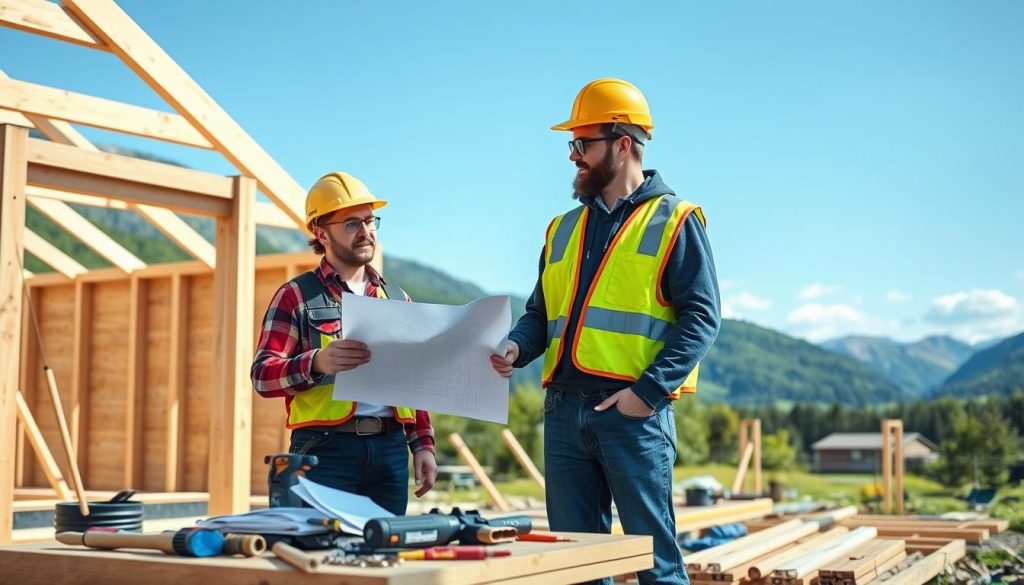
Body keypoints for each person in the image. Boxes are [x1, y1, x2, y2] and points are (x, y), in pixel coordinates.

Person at [491, 79, 721, 585]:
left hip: (632, 416)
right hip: (563, 413)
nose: (573, 155)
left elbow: (702, 316)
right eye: (570, 144)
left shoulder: (675, 220)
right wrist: (516, 345)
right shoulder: (561, 228)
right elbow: (540, 314)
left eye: (583, 143)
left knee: (655, 567)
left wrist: (647, 392)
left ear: (623, 143)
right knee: (575, 568)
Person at [252, 171, 437, 515]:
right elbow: (262, 376)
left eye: (370, 221)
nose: (366, 232)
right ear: (321, 234)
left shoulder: (397, 298)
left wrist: (422, 445)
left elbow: (414, 384)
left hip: (390, 451)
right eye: (352, 224)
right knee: (320, 555)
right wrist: (317, 362)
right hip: (325, 451)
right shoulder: (296, 295)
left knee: (383, 557)